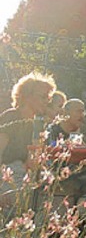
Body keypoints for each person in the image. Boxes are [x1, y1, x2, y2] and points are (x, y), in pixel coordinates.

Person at [0, 72, 57, 204]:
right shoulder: (12, 117)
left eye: (48, 97)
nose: (47, 101)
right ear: (26, 96)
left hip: (21, 176)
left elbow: (32, 161)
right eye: (43, 96)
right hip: (7, 176)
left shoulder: (35, 125)